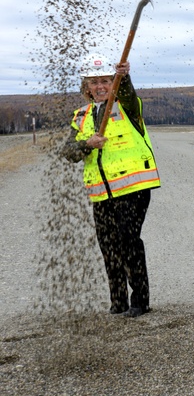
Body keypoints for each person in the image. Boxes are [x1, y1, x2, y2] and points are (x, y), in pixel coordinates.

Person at [62, 53, 160, 318]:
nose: (101, 86)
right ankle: (118, 303)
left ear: (114, 83)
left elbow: (127, 93)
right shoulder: (80, 116)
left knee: (128, 241)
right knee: (109, 246)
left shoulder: (127, 106)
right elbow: (68, 152)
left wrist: (124, 76)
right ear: (86, 87)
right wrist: (86, 144)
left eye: (106, 80)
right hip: (101, 192)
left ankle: (140, 301)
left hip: (133, 187)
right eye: (94, 82)